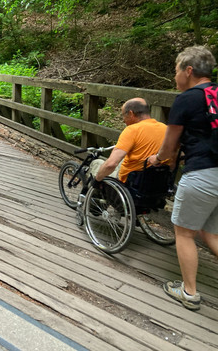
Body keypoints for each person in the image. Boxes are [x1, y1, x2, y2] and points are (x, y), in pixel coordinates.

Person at [148, 45, 218, 311]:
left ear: (189, 71)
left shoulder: (187, 99)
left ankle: (189, 292)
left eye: (176, 71)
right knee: (212, 234)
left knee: (185, 233)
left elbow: (169, 148)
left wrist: (156, 159)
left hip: (202, 173)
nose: (174, 77)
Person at [92, 97, 168, 184]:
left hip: (132, 181)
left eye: (124, 115)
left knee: (97, 163)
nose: (123, 120)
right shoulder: (165, 129)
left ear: (131, 113)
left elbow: (111, 164)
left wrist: (97, 180)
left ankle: (93, 193)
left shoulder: (132, 130)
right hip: (159, 180)